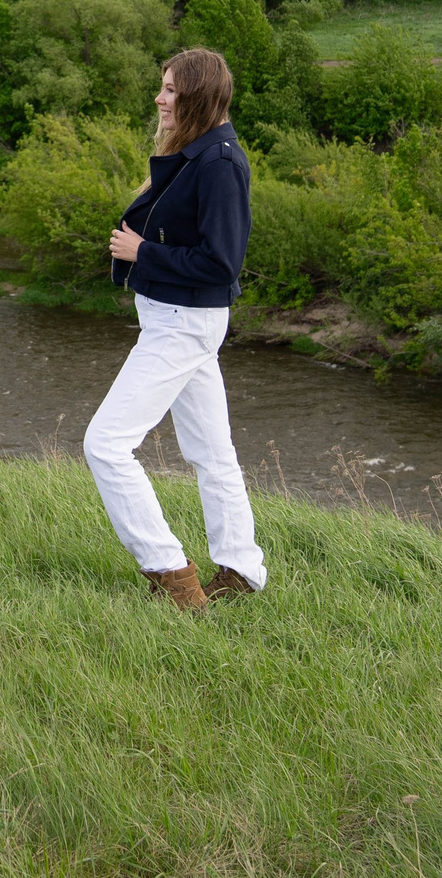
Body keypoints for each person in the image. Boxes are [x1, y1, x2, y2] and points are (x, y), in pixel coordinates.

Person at [84, 47, 263, 612]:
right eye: (161, 88)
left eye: (170, 91)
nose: (160, 100)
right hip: (177, 319)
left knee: (106, 445)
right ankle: (242, 570)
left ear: (199, 97)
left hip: (184, 324)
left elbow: (221, 264)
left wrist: (143, 253)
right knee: (212, 452)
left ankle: (171, 574)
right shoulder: (194, 155)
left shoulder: (219, 164)